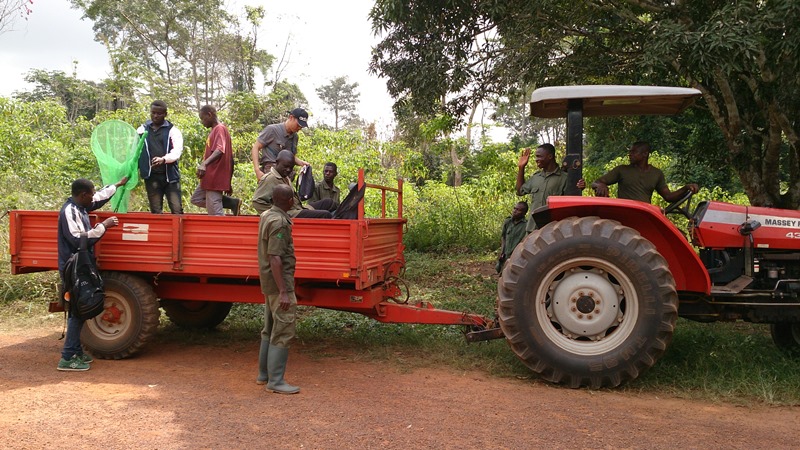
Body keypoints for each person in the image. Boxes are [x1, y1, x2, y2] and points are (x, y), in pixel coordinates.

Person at [57, 176, 127, 371]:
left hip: (82, 266)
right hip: (73, 268)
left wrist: (116, 185)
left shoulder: (81, 206)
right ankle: (68, 357)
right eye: (91, 194)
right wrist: (103, 227)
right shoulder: (69, 211)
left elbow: (99, 199)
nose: (93, 197)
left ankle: (76, 351)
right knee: (77, 311)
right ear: (82, 195)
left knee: (79, 309)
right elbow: (77, 240)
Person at [257, 184, 301, 394]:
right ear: (289, 201)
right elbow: (275, 257)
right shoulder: (279, 222)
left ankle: (264, 375)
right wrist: (284, 291)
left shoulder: (267, 214)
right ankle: (276, 381)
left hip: (269, 283)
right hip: (278, 285)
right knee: (283, 329)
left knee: (269, 327)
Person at [590, 141, 699, 203]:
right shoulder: (622, 170)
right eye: (630, 152)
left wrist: (685, 188)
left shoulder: (656, 174)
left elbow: (669, 197)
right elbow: (596, 182)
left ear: (645, 154)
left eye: (634, 152)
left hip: (644, 214)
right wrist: (601, 185)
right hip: (625, 212)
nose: (630, 154)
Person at [251, 150, 334, 218]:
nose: (288, 170)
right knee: (325, 214)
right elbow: (257, 201)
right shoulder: (270, 179)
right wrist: (276, 214)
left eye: (290, 167)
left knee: (329, 202)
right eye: (285, 166)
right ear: (277, 162)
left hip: (298, 208)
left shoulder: (284, 176)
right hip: (291, 214)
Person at [191, 105, 241, 216]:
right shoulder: (215, 130)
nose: (202, 122)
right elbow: (230, 160)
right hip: (209, 178)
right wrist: (228, 181)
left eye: (203, 119)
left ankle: (222, 231)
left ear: (209, 115)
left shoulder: (219, 128)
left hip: (214, 178)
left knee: (215, 214)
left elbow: (219, 149)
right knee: (196, 198)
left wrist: (204, 163)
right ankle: (232, 203)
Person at [137, 100, 184, 214]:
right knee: (156, 210)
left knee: (177, 209)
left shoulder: (173, 131)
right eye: (153, 113)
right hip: (151, 176)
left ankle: (178, 232)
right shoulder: (142, 130)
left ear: (165, 114)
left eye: (159, 113)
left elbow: (177, 152)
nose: (155, 116)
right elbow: (135, 151)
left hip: (170, 177)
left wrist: (163, 159)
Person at [516, 143, 569, 232]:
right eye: (536, 157)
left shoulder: (564, 178)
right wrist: (521, 168)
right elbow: (519, 191)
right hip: (532, 229)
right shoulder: (536, 177)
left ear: (550, 156)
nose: (536, 160)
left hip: (551, 230)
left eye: (539, 156)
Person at [251, 108, 310, 180]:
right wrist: (257, 171)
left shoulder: (295, 137)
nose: (299, 128)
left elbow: (291, 157)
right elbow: (255, 148)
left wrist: (302, 163)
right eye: (298, 125)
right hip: (271, 171)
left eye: (301, 127)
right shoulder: (272, 130)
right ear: (291, 117)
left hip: (286, 174)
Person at [496, 202, 529, 273]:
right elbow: (503, 237)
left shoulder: (526, 225)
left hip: (516, 257)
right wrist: (502, 252)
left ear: (524, 213)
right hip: (505, 255)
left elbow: (524, 242)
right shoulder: (508, 222)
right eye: (515, 208)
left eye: (518, 210)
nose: (515, 211)